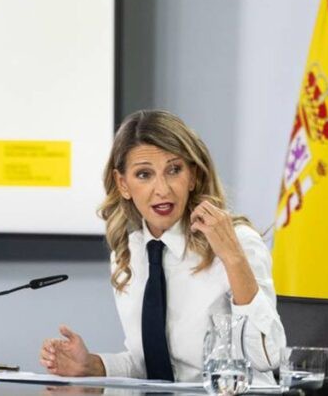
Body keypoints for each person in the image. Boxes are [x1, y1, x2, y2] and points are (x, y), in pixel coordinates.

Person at [40, 109, 285, 383]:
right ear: (123, 184)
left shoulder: (236, 242)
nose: (162, 189)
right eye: (144, 174)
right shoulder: (128, 253)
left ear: (192, 176)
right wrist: (94, 365)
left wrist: (234, 259)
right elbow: (150, 364)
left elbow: (267, 358)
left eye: (174, 170)